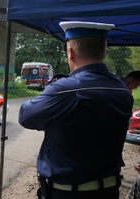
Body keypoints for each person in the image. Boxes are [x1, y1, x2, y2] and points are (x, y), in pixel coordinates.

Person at [18, 21, 134, 199]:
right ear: (105, 51)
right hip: (109, 191)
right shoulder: (122, 90)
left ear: (70, 53)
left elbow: (25, 116)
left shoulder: (63, 90)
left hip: (68, 194)